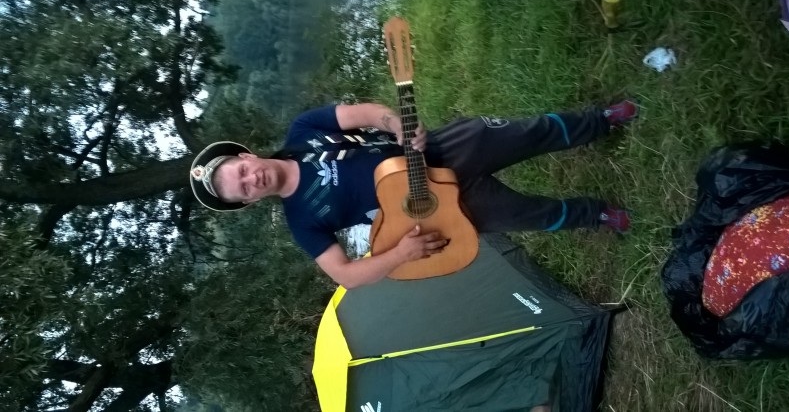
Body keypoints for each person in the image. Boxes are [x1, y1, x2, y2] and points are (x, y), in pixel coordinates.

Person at [189, 101, 637, 288]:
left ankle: (600, 121)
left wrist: (397, 127)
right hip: (432, 207)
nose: (251, 179)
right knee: (528, 215)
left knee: (526, 133)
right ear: (248, 202)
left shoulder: (304, 130)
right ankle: (597, 214)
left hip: (437, 151)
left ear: (246, 155)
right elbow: (345, 275)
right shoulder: (302, 222)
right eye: (242, 189)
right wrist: (401, 254)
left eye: (241, 171)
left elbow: (368, 113)